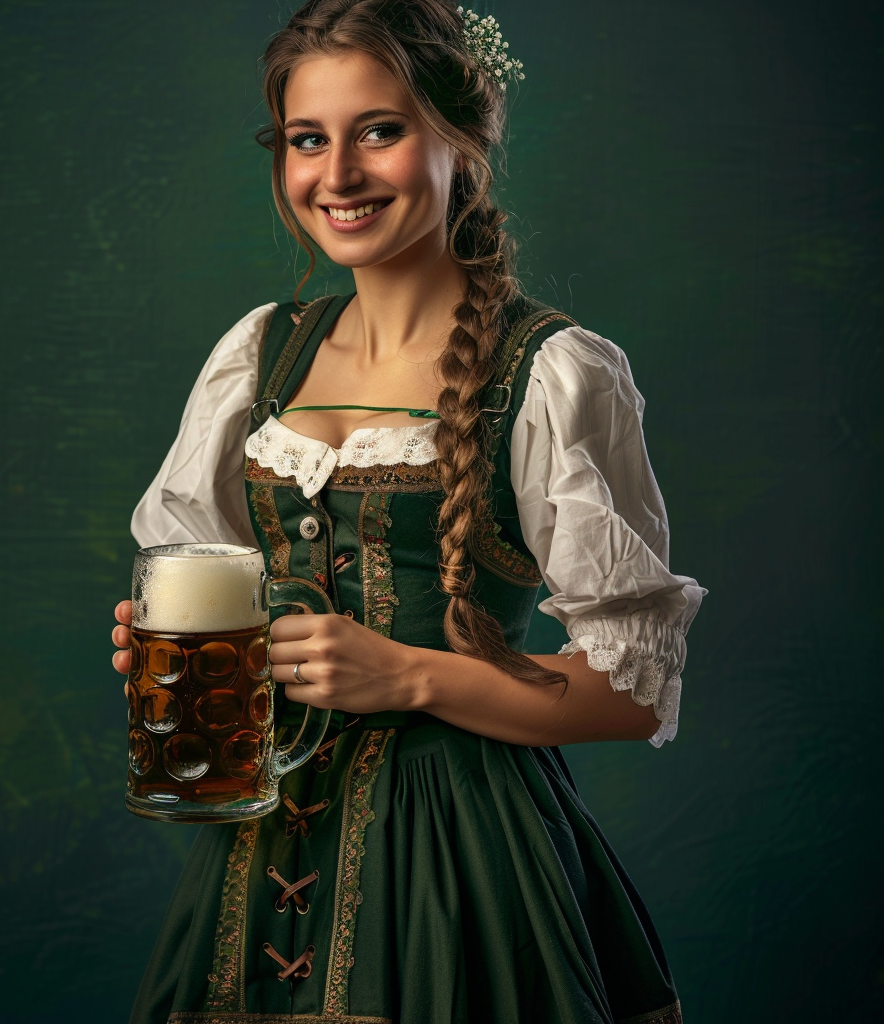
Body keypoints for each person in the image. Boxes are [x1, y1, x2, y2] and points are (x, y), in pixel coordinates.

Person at [111, 2, 704, 1021]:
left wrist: (410, 674)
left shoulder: (555, 371)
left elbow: (632, 692)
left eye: (377, 131)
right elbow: (190, 569)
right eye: (308, 139)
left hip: (464, 860)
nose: (335, 175)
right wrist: (165, 649)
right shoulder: (257, 353)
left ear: (460, 141)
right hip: (253, 861)